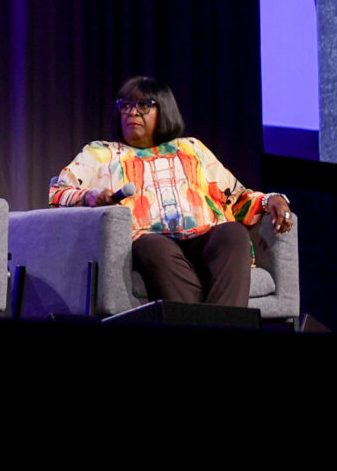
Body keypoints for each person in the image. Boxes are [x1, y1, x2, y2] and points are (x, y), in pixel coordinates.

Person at [46, 76, 295, 309]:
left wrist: (269, 200)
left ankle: (223, 329)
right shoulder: (101, 153)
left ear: (164, 109)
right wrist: (89, 196)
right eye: (126, 105)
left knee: (233, 234)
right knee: (155, 246)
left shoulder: (191, 149)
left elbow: (237, 197)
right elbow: (58, 193)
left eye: (144, 105)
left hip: (202, 238)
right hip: (148, 242)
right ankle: (208, 329)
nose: (132, 112)